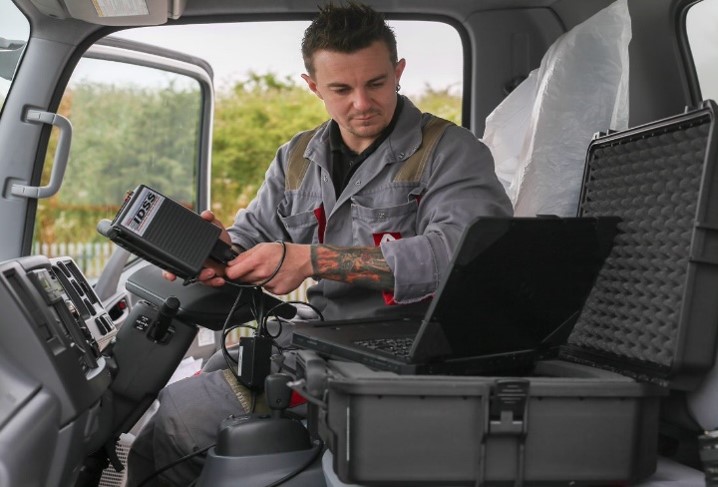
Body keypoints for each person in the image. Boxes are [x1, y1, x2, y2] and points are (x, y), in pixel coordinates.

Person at [125, 2, 512, 485]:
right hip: (321, 340)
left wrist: (313, 260)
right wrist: (219, 250)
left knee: (184, 418)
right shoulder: (296, 158)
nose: (362, 103)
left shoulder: (450, 152)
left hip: (413, 354)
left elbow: (461, 257)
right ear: (314, 87)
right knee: (162, 424)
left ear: (398, 72)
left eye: (376, 83)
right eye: (341, 89)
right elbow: (255, 236)